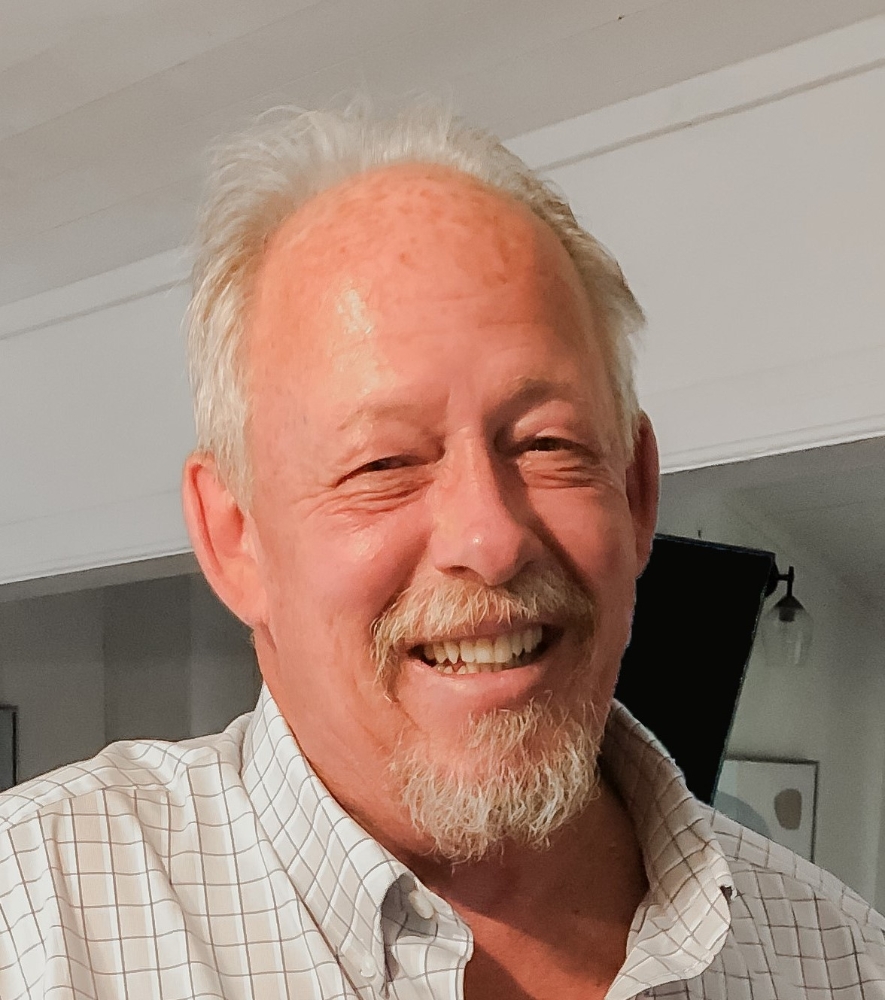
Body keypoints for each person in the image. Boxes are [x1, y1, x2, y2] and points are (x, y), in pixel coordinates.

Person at [1, 103, 883, 1000]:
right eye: (382, 463)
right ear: (235, 539)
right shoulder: (31, 924)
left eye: (546, 444)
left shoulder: (844, 960)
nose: (490, 539)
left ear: (634, 491)